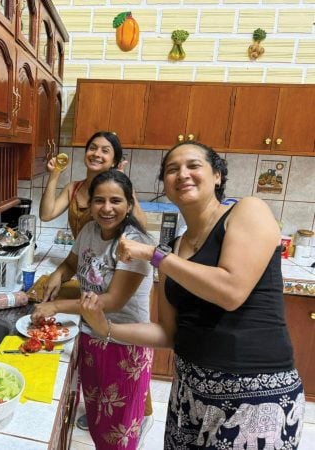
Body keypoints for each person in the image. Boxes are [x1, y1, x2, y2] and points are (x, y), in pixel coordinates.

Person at [80, 141, 305, 449]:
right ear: (166, 186)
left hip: (253, 393)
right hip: (189, 392)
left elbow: (230, 291)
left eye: (193, 165)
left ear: (217, 175)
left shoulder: (248, 211)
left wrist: (153, 255)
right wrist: (105, 327)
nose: (182, 174)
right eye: (172, 169)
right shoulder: (176, 248)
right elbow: (168, 332)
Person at [38, 131, 154, 437]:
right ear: (88, 204)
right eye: (98, 201)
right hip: (91, 332)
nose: (106, 207)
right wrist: (58, 274)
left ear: (128, 204)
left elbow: (112, 301)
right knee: (98, 419)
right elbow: (72, 263)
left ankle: (138, 419)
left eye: (116, 201)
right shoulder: (89, 229)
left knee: (118, 431)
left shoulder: (134, 242)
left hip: (123, 340)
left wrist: (56, 305)